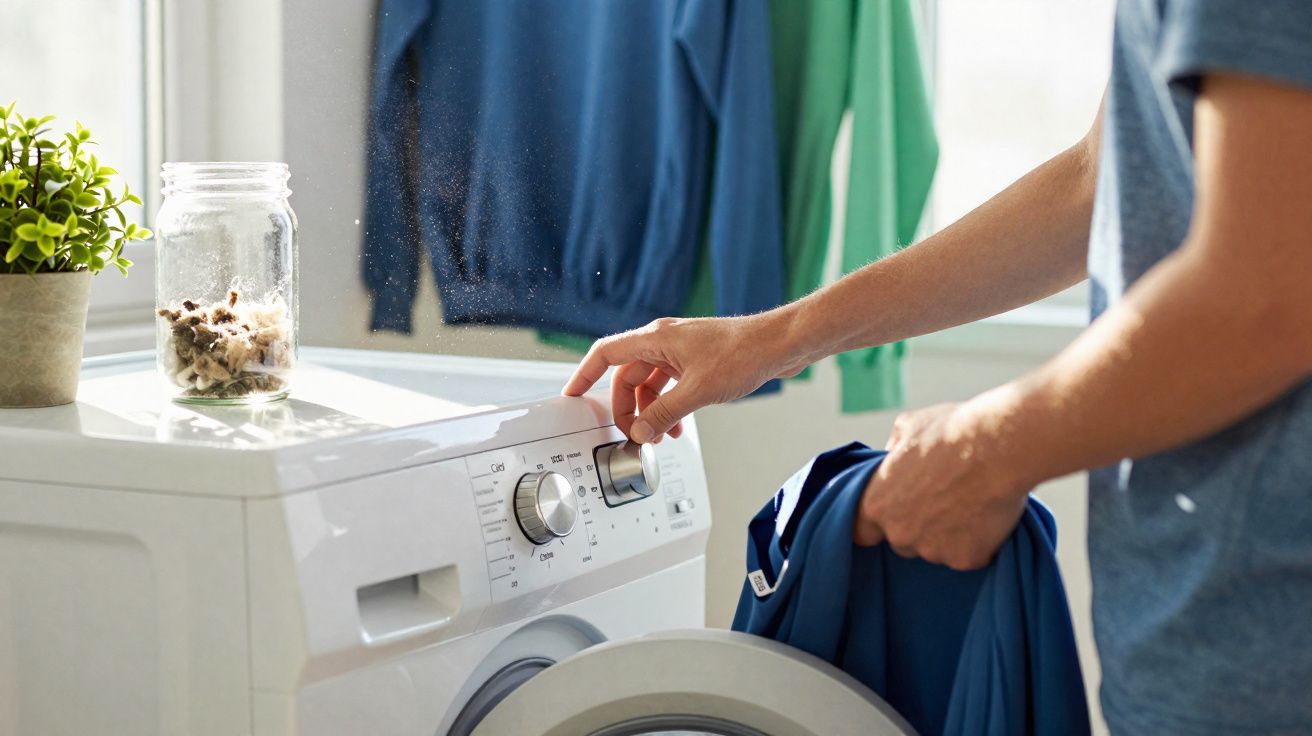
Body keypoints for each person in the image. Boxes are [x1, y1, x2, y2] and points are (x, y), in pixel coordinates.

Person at [562, 2, 1312, 733]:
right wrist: (771, 338)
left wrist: (987, 450)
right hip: (1203, 613)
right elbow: (1102, 178)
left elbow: (1268, 294)